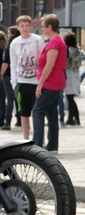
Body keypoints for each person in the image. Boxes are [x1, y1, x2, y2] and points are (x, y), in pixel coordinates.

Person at [32, 14, 67, 153]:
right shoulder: (58, 40)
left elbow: (49, 65)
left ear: (49, 27)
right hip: (55, 82)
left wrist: (40, 84)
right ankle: (52, 146)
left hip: (50, 83)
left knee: (37, 111)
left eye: (43, 26)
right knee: (51, 114)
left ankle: (37, 146)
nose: (41, 28)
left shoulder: (54, 43)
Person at [9, 15, 45, 140]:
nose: (25, 28)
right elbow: (13, 63)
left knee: (37, 112)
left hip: (36, 82)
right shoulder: (15, 42)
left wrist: (41, 81)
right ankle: (25, 138)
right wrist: (14, 82)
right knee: (24, 113)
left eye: (27, 25)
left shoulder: (38, 40)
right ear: (18, 27)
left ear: (30, 26)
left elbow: (43, 61)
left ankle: (38, 138)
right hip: (21, 81)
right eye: (22, 26)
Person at [64, 32, 82, 126]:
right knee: (71, 97)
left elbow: (66, 64)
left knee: (69, 98)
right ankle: (73, 118)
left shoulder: (68, 51)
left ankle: (73, 118)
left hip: (69, 74)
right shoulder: (78, 51)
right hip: (76, 74)